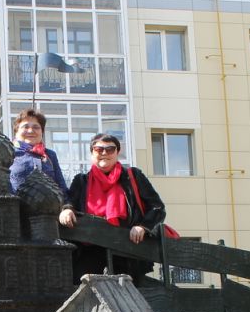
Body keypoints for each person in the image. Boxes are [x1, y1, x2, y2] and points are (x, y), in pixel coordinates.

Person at [59, 133, 166, 283]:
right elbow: (70, 201)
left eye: (110, 149)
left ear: (117, 152)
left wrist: (143, 226)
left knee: (126, 294)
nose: (104, 153)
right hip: (89, 251)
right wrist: (67, 209)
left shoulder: (133, 176)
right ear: (92, 153)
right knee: (85, 289)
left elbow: (157, 207)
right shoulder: (81, 181)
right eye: (99, 149)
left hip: (127, 250)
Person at [9, 108, 68, 195]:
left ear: (42, 132)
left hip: (48, 203)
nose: (30, 131)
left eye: (36, 127)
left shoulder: (50, 155)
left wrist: (67, 204)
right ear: (16, 132)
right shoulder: (8, 153)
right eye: (25, 127)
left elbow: (61, 187)